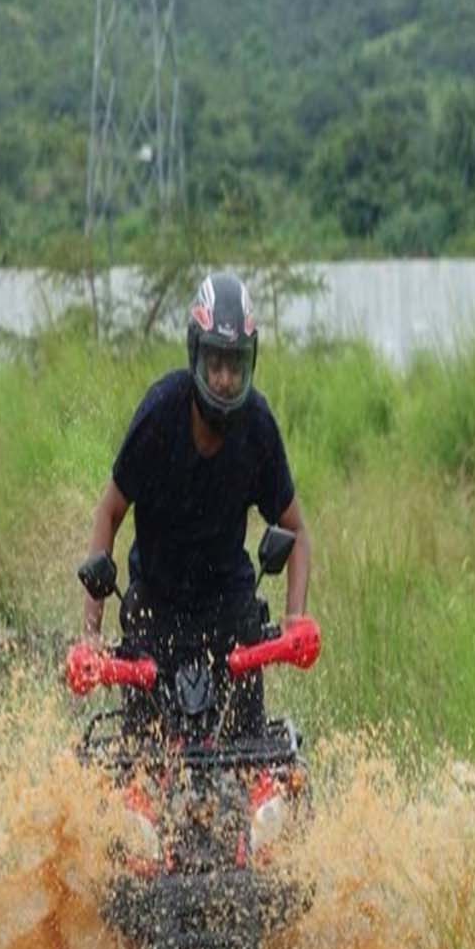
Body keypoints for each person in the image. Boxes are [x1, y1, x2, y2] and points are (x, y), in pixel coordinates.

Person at [82, 271, 311, 737]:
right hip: (154, 603)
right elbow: (109, 512)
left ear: (251, 363)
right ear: (195, 355)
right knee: (140, 758)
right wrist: (90, 638)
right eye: (215, 364)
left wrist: (295, 619)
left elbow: (297, 531)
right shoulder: (160, 413)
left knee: (252, 749)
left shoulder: (258, 426)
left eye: (235, 365)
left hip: (229, 606)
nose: (225, 380)